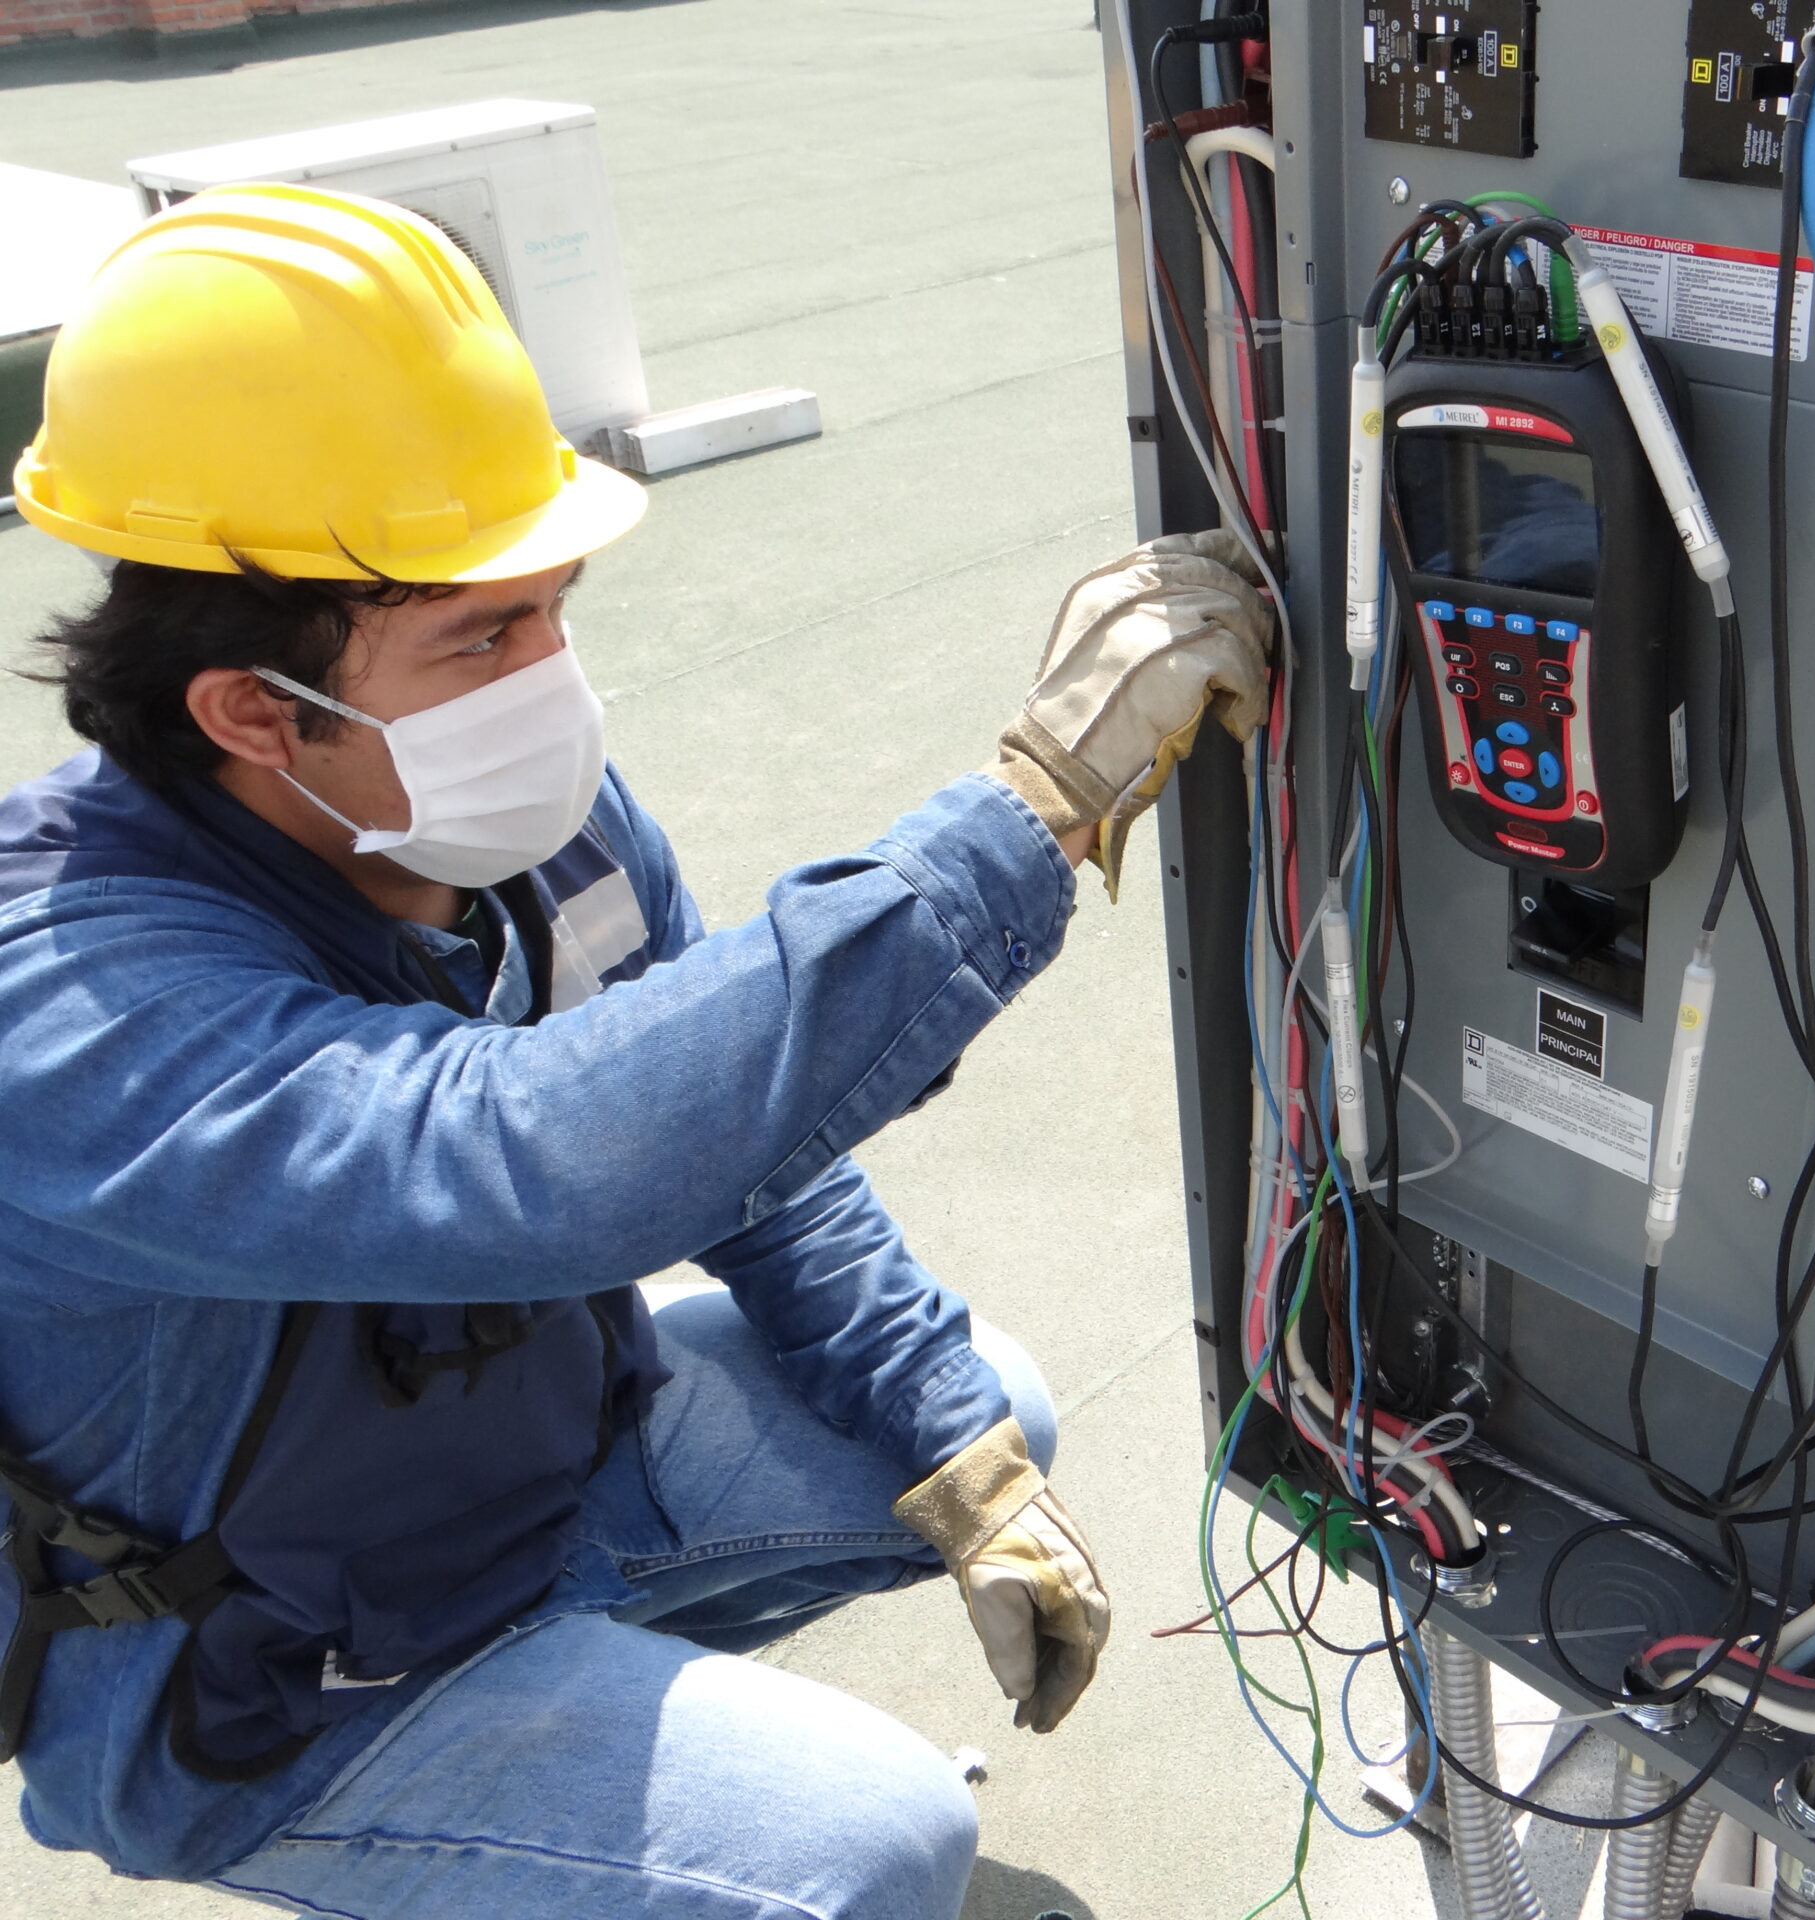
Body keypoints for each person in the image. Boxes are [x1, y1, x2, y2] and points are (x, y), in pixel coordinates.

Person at [0, 183, 1269, 1918]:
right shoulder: (68, 997)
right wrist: (1029, 818)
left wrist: (949, 1438)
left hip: (513, 1491)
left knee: (983, 1406)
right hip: (270, 1684)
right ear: (247, 707)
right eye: (486, 634)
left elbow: (744, 1139)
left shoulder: (509, 822)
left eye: (556, 607)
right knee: (872, 1846)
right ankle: (441, 1823)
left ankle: (555, 1778)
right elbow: (517, 1155)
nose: (555, 679)